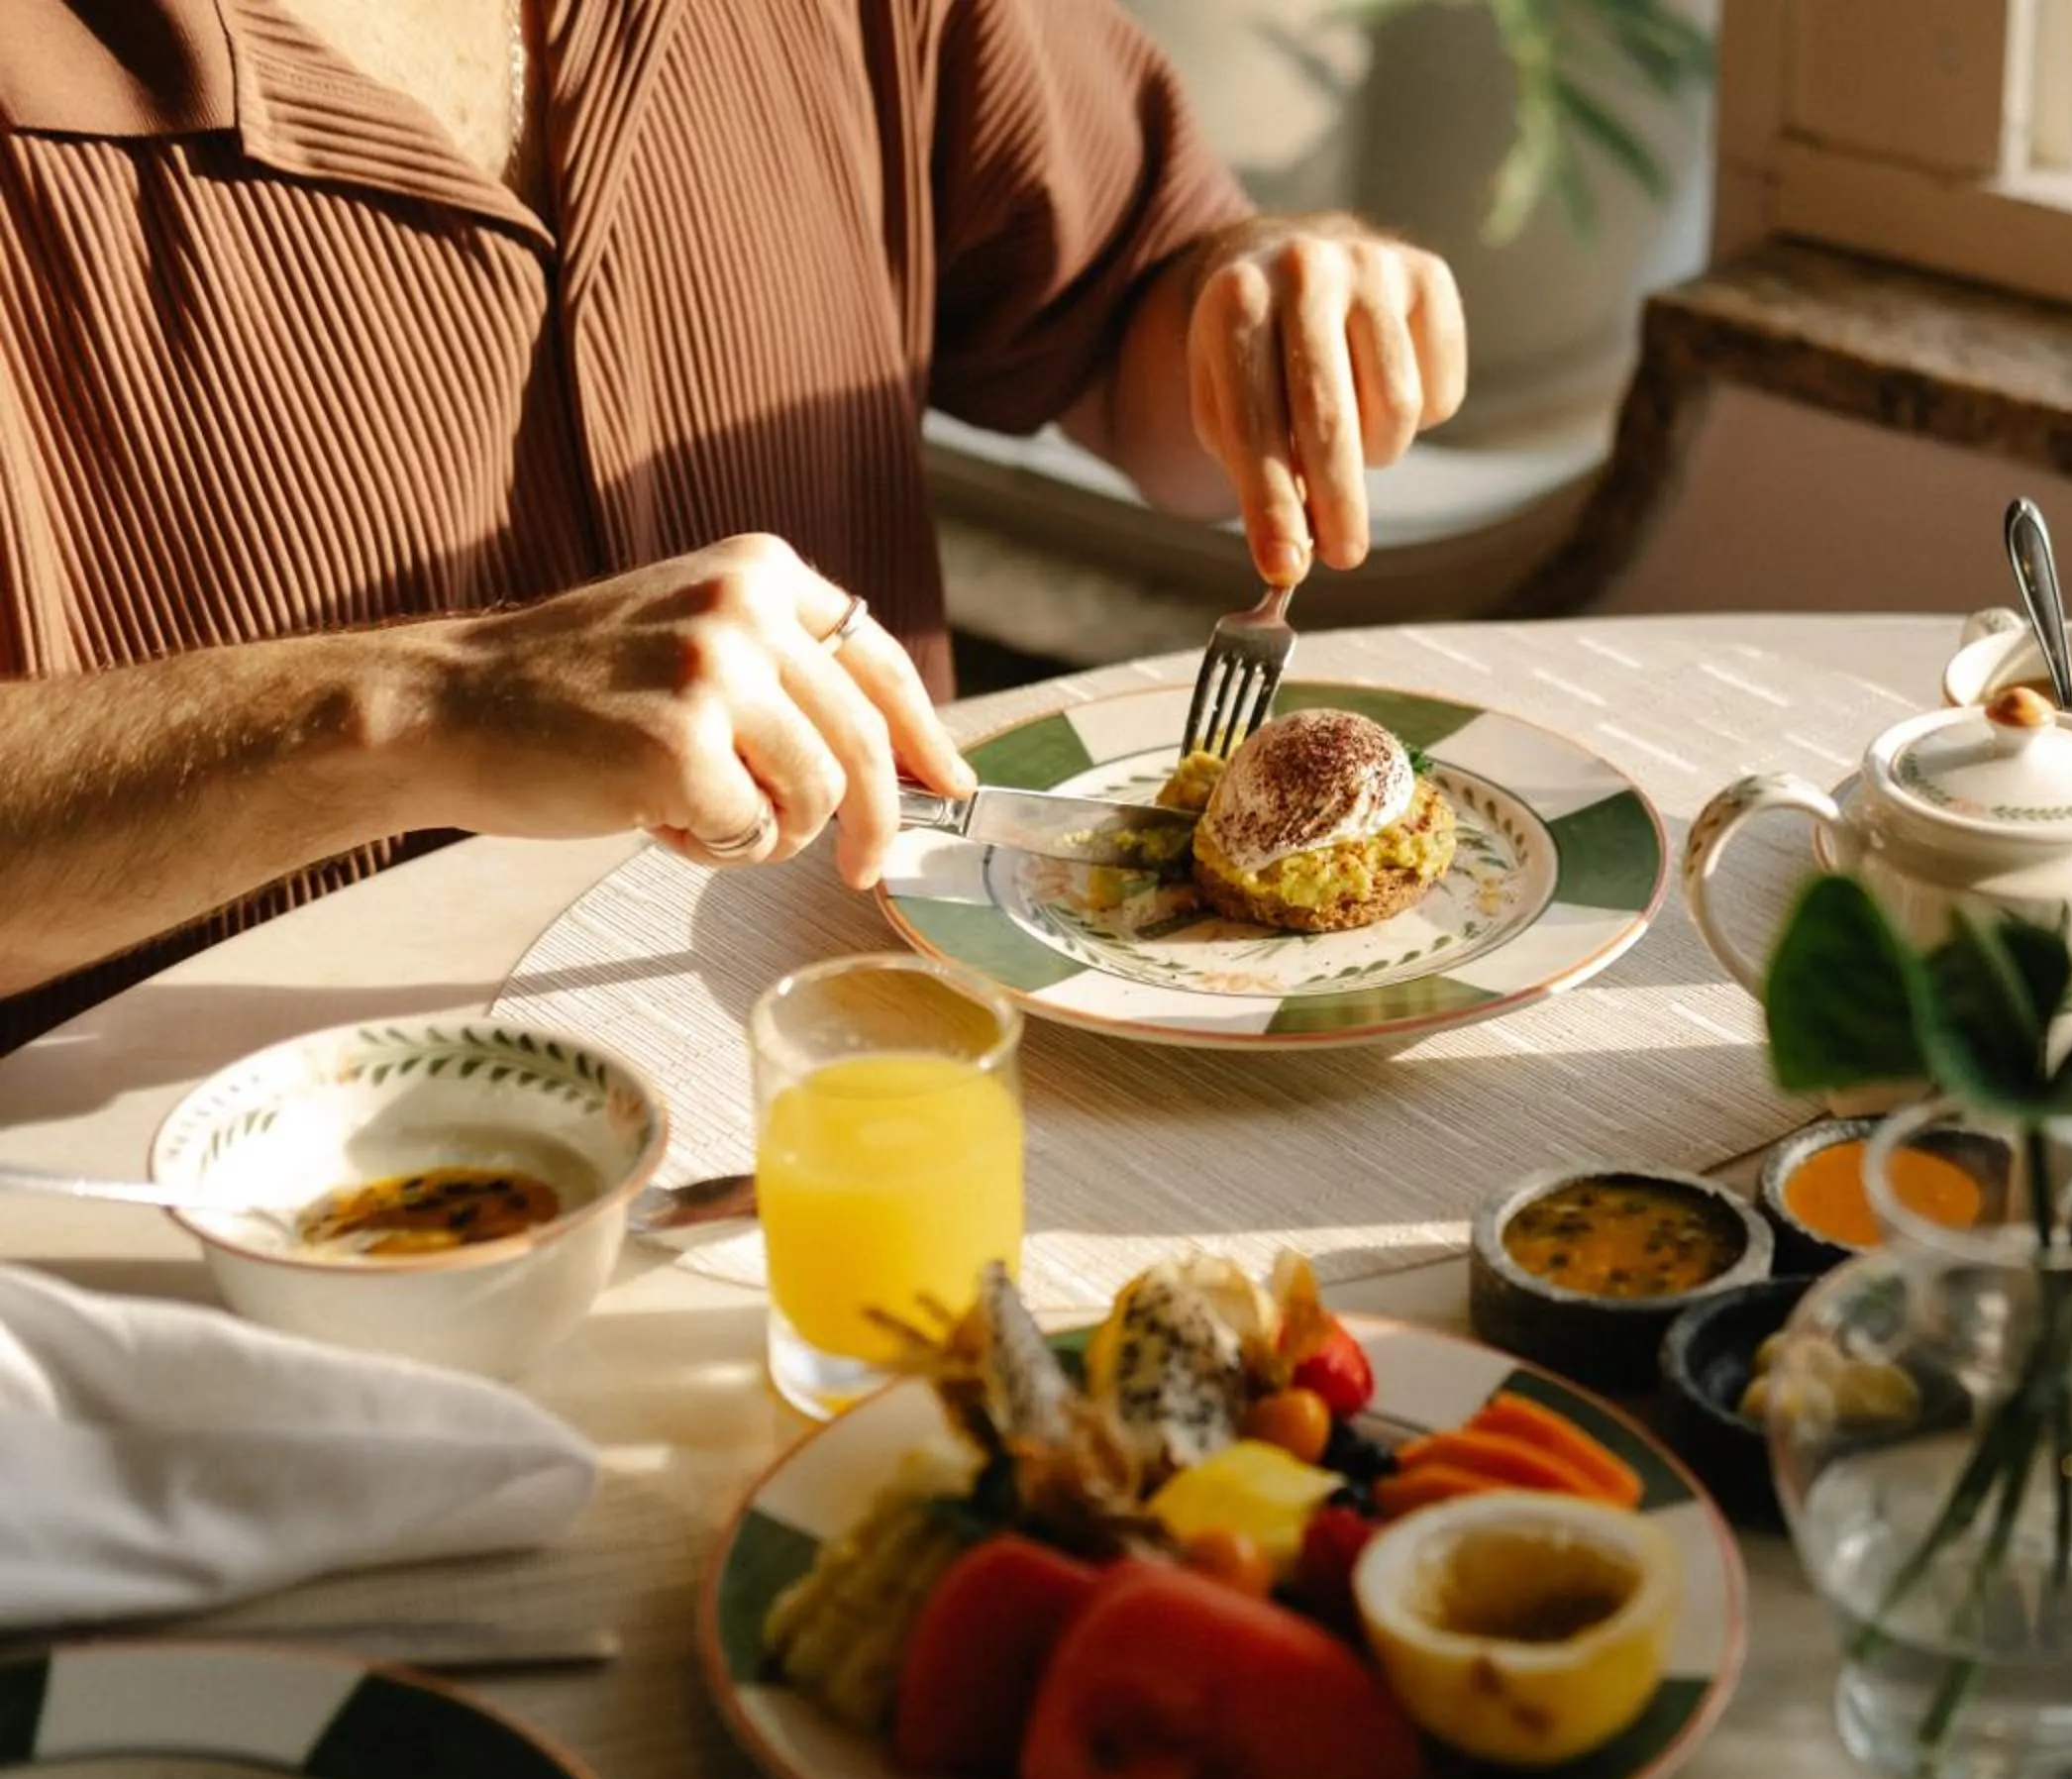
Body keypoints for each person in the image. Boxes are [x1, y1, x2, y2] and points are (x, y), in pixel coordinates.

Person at [0, 0, 1468, 1044]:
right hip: (206, 1237)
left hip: (880, 1062)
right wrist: (405, 707)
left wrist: (1286, 301)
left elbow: (1149, 356)